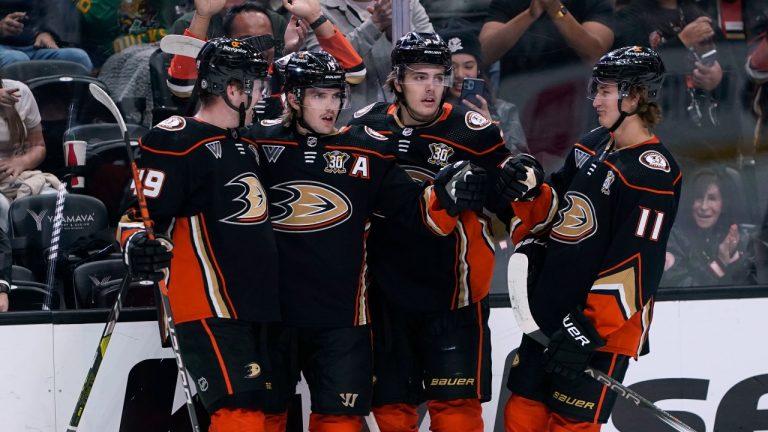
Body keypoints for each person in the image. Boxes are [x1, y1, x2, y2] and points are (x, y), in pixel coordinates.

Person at [241, 50, 486, 432]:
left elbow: (414, 214)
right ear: (292, 98)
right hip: (273, 318)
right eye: (319, 95)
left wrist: (447, 197)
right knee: (258, 421)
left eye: (336, 95)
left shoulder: (368, 149)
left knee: (340, 424)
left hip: (342, 321)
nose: (330, 106)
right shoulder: (255, 145)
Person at [499, 46, 681, 431]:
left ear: (633, 96)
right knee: (521, 415)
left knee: (570, 426)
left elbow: (638, 262)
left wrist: (589, 327)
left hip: (600, 332)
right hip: (552, 312)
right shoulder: (591, 145)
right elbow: (560, 218)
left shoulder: (654, 174)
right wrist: (531, 192)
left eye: (605, 90)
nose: (595, 99)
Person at [347, 32, 519, 432]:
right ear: (397, 80)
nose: (430, 87)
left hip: (454, 295)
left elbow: (508, 200)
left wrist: (522, 182)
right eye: (419, 76)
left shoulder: (472, 130)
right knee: (391, 409)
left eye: (438, 76)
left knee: (457, 410)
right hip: (383, 294)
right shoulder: (365, 126)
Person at [120, 37, 289, 431]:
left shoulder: (249, 142)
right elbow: (136, 216)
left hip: (259, 303)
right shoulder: (175, 139)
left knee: (269, 412)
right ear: (233, 90)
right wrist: (137, 245)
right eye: (257, 86)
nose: (264, 96)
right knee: (240, 413)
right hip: (209, 305)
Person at [167, 0, 364, 123]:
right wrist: (203, 17)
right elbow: (182, 88)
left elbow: (354, 73)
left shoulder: (284, 71)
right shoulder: (215, 76)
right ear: (229, 43)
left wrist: (315, 18)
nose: (259, 48)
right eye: (249, 40)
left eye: (266, 40)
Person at [479, 0, 614, 171]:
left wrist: (555, 9)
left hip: (574, 112)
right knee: (520, 178)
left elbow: (595, 52)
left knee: (572, 177)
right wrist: (530, 15)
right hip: (519, 111)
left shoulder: (590, 3)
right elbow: (484, 52)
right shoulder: (510, 2)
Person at [614, 0, 734, 164]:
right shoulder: (630, 16)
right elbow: (633, 74)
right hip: (654, 138)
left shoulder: (699, 16)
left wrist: (717, 77)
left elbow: (734, 76)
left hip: (707, 138)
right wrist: (681, 41)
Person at [304, 0, 435, 124]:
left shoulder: (406, 3)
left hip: (404, 124)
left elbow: (433, 60)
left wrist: (404, 37)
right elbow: (323, 68)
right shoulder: (315, 9)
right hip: (349, 130)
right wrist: (374, 25)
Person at [439, 27, 529, 154]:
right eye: (452, 67)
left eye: (468, 66)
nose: (460, 74)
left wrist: (490, 130)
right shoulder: (430, 110)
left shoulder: (504, 111)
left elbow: (522, 162)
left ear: (478, 69)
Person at [661, 167, 756, 287]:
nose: (704, 206)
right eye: (699, 197)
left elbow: (750, 287)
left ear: (724, 204)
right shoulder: (674, 238)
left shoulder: (738, 238)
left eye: (712, 198)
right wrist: (720, 264)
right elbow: (686, 294)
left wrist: (735, 259)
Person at [0, 76, 54, 232]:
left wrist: (21, 162)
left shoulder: (20, 92)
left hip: (16, 177)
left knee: (52, 197)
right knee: (2, 207)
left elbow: (38, 145)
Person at [0, 1, 93, 72]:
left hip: (34, 45)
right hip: (4, 48)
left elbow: (53, 7)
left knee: (78, 58)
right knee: (16, 59)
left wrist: (47, 32)